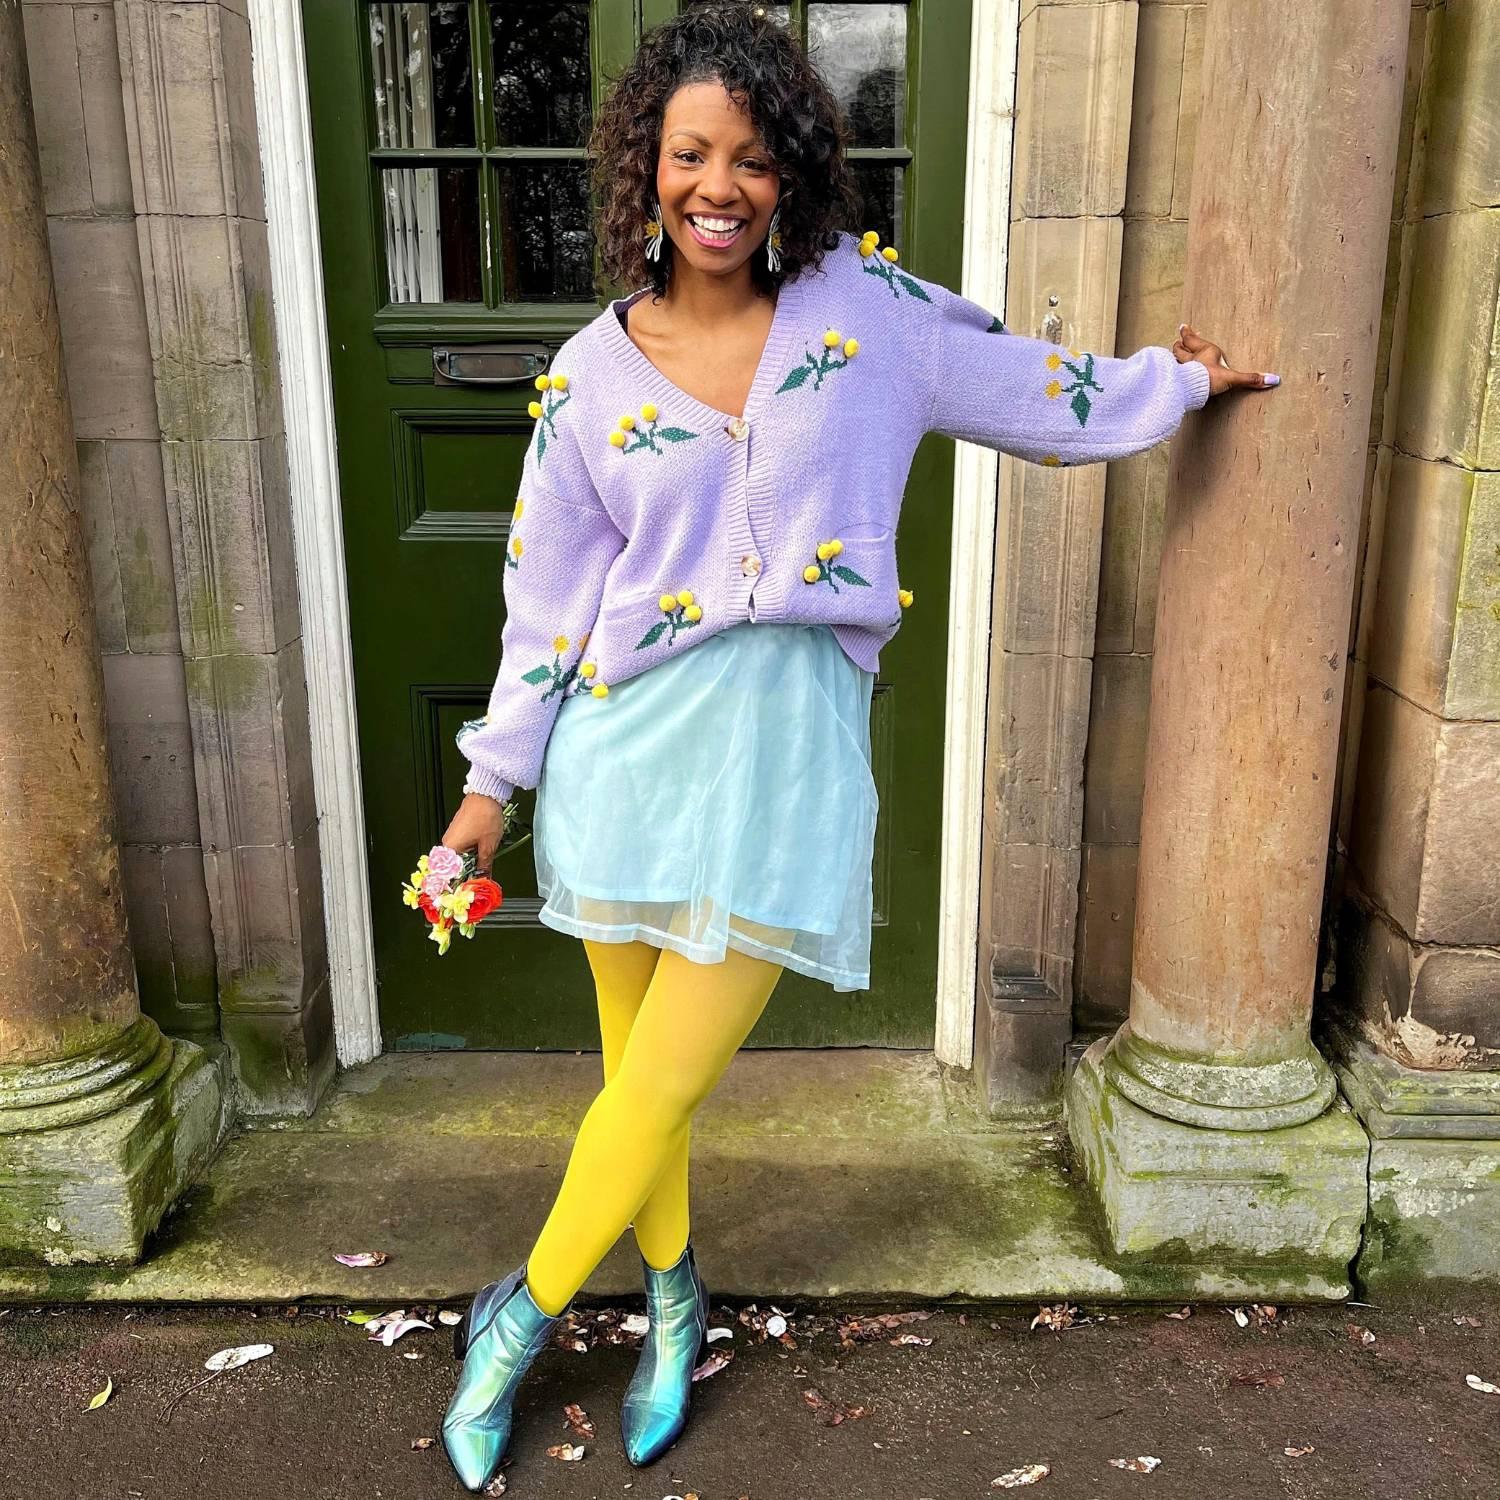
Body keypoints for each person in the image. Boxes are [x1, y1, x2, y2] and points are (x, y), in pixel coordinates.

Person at [437, 3, 1277, 1489]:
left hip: (787, 756)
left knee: (662, 1082)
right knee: (644, 1085)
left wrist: (1180, 383)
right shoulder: (587, 377)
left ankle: (516, 1319)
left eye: (752, 159)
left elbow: (1039, 392)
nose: (719, 186)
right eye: (690, 153)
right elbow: (546, 605)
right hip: (626, 756)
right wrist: (486, 794)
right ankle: (675, 1307)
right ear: (645, 165)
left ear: (792, 174)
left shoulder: (866, 316)